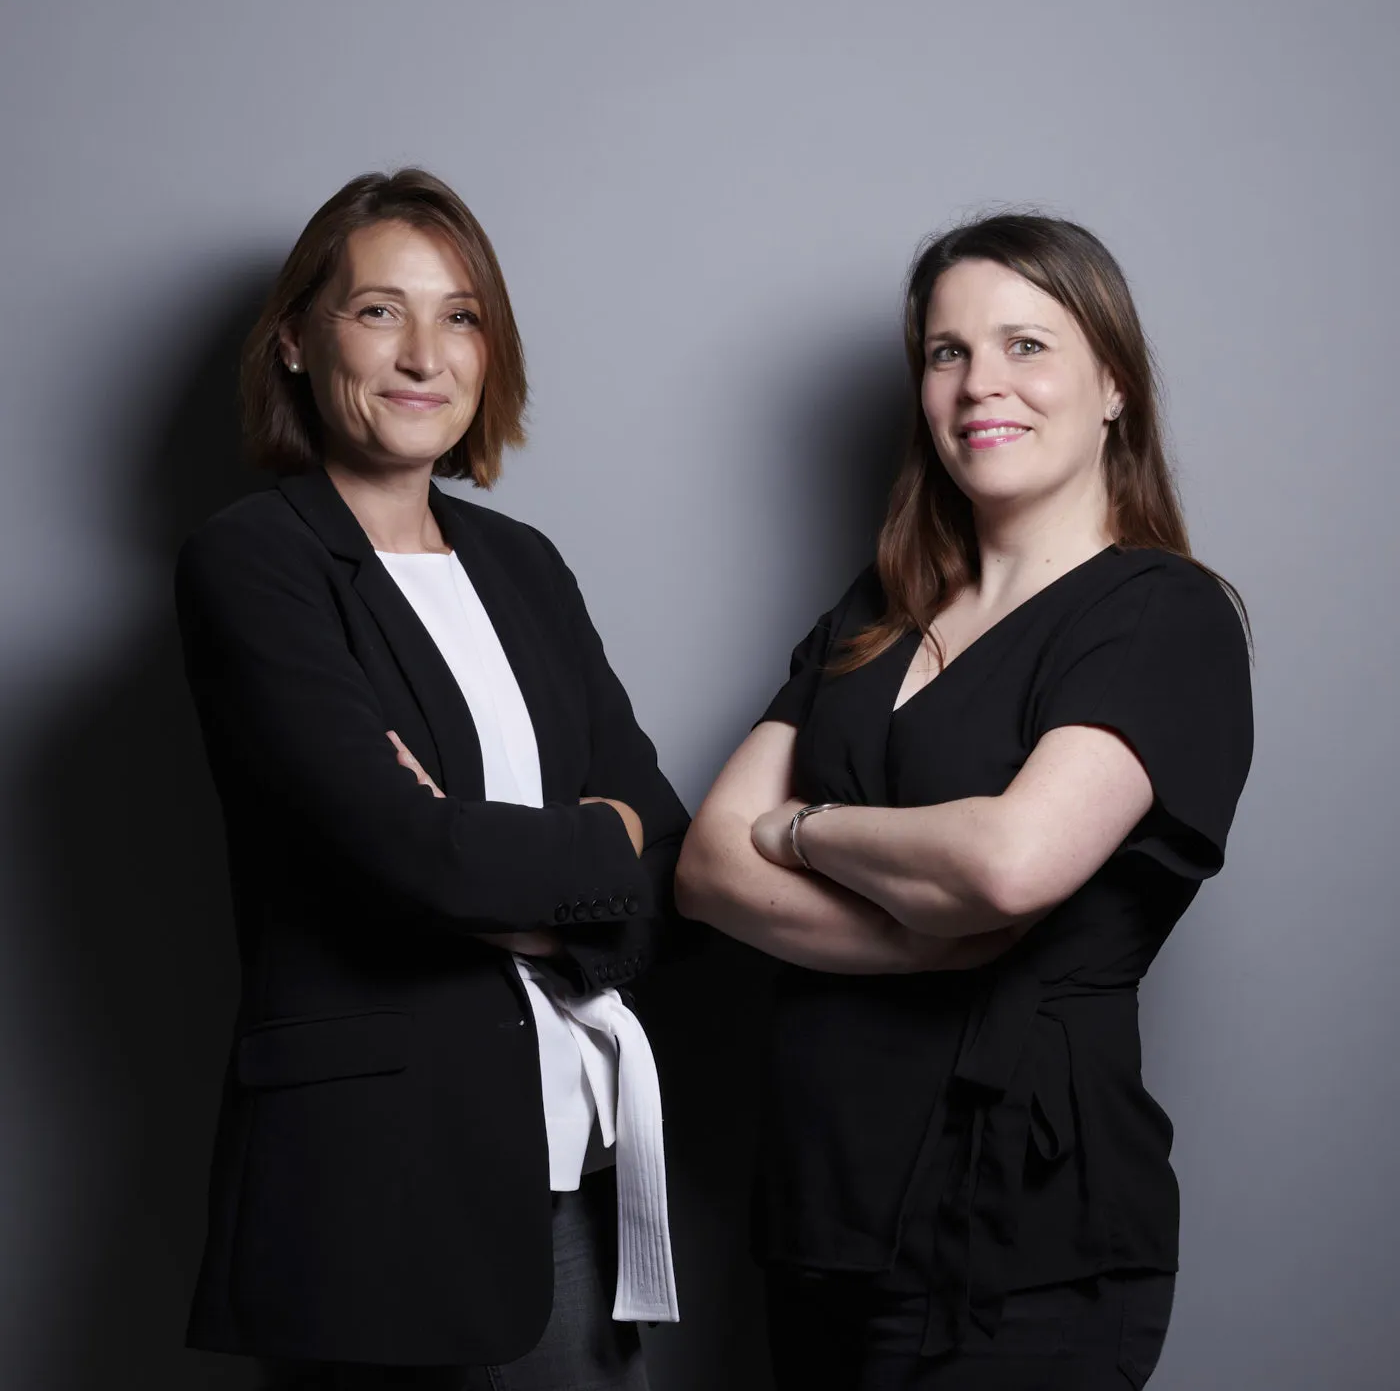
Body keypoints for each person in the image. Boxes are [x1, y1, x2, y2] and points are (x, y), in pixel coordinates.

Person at [676, 213, 1253, 1389]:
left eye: (1024, 344)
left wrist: (799, 829)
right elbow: (702, 867)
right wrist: (914, 939)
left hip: (1020, 1235)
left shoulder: (1160, 614)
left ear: (1113, 385)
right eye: (947, 351)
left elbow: (1006, 864)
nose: (980, 381)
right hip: (819, 1211)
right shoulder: (876, 609)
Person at [175, 168, 687, 1390]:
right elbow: (409, 855)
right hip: (376, 1189)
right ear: (296, 340)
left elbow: (663, 841)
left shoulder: (523, 565)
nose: (423, 354)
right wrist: (580, 844)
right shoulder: (253, 562)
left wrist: (492, 856)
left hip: (570, 1167)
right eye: (377, 311)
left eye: (460, 316)